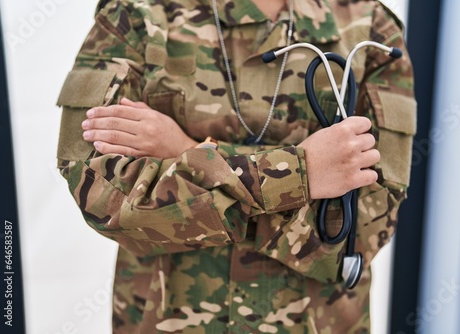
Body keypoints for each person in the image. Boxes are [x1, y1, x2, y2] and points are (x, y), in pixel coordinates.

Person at [56, 0, 416, 332]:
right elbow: (106, 202)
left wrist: (185, 149)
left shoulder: (370, 30)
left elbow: (362, 233)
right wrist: (303, 171)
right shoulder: (136, 16)